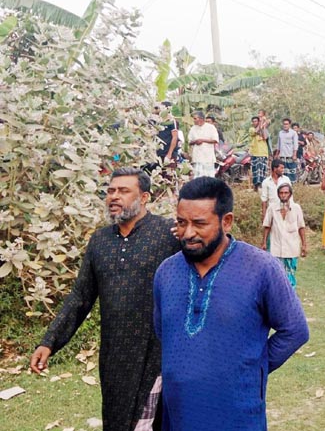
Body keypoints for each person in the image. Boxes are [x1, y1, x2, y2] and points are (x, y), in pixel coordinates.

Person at [30, 168, 181, 431]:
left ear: (144, 197)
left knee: (149, 423)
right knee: (117, 421)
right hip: (114, 356)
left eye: (123, 191)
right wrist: (50, 341)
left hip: (157, 352)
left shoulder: (168, 233)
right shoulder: (100, 241)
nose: (114, 196)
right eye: (111, 190)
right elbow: (81, 297)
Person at [153, 177, 309, 430]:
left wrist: (250, 368)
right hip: (179, 415)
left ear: (226, 221)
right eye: (182, 223)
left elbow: (295, 330)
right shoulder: (166, 272)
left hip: (237, 415)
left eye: (199, 223)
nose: (188, 233)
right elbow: (165, 333)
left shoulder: (261, 268)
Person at [262, 183, 307, 288]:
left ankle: (290, 295)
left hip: (291, 247)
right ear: (278, 195)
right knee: (276, 275)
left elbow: (301, 227)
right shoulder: (272, 208)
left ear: (290, 194)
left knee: (290, 274)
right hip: (276, 247)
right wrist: (264, 242)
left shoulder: (296, 208)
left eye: (286, 193)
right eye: (281, 193)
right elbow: (267, 226)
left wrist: (304, 244)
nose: (283, 195)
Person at [187, 110, 219, 178]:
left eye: (195, 118)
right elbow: (189, 142)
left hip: (208, 157)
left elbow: (215, 140)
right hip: (197, 157)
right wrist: (196, 141)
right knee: (197, 177)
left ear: (201, 118)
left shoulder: (211, 127)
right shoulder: (193, 128)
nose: (194, 120)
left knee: (208, 177)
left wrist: (202, 140)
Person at [249, 115, 270, 192]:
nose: (255, 123)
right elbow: (256, 132)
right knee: (255, 170)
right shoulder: (251, 129)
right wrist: (262, 123)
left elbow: (265, 137)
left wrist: (263, 127)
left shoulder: (264, 129)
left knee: (262, 170)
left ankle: (262, 185)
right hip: (255, 153)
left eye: (256, 121)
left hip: (263, 153)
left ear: (258, 122)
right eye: (253, 121)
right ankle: (255, 185)